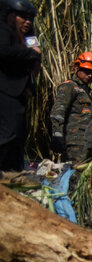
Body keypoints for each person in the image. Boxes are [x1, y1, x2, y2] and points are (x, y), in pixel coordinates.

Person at [0, 0, 40, 171]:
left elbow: (36, 56)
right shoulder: (3, 31)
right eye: (23, 17)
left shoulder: (28, 37)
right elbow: (4, 52)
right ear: (10, 15)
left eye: (30, 18)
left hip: (19, 95)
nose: (28, 21)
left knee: (18, 137)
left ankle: (13, 175)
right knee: (7, 136)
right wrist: (31, 54)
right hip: (4, 93)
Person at [50, 52, 92, 162]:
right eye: (87, 71)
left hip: (88, 142)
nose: (90, 75)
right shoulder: (69, 87)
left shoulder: (87, 91)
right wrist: (57, 134)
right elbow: (58, 110)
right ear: (77, 68)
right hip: (75, 143)